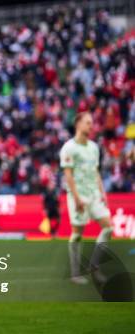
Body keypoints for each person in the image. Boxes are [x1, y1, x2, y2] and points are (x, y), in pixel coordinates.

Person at [60, 111, 112, 285]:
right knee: (77, 234)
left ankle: (94, 266)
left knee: (108, 227)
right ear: (78, 124)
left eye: (92, 123)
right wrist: (76, 198)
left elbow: (95, 172)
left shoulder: (94, 148)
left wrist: (102, 193)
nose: (91, 126)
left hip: (94, 194)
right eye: (88, 123)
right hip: (78, 196)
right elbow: (68, 175)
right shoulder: (69, 148)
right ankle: (75, 273)